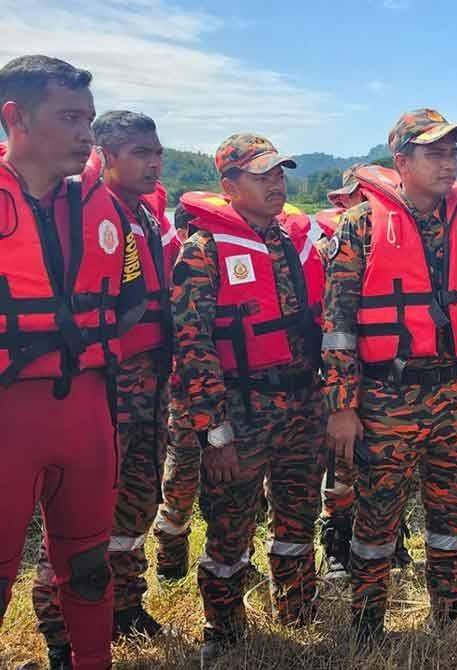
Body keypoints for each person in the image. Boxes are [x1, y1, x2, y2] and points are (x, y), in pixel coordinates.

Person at [322, 108, 457, 642]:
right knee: (376, 518)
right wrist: (343, 407)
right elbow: (338, 325)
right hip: (388, 396)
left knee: (453, 512)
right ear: (402, 161)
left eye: (452, 152)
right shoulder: (361, 224)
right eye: (434, 153)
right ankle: (368, 623)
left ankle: (447, 615)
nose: (448, 163)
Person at [0, 55, 146, 670]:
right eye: (69, 117)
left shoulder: (105, 207)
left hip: (88, 411)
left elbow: (133, 296)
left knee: (90, 563)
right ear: (15, 119)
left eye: (88, 118)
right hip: (9, 415)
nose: (87, 133)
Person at [170, 134, 327, 665]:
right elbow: (193, 345)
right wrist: (214, 433)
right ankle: (224, 628)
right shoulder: (203, 251)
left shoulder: (290, 243)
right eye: (263, 176)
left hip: (302, 407)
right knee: (229, 527)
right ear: (229, 186)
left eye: (280, 174)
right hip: (239, 412)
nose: (276, 184)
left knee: (298, 518)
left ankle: (299, 610)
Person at [30, 111, 180, 663]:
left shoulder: (144, 216)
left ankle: (125, 606)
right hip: (104, 387)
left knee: (136, 507)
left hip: (151, 386)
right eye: (141, 151)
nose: (154, 162)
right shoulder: (81, 213)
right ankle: (61, 634)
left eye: (157, 151)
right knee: (78, 518)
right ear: (107, 155)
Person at [313, 163, 413, 583]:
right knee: (342, 468)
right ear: (346, 200)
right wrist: (338, 396)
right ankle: (338, 546)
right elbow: (330, 323)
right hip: (341, 378)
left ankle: (394, 541)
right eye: (363, 197)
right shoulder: (327, 249)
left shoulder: (401, 243)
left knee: (388, 470)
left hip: (388, 383)